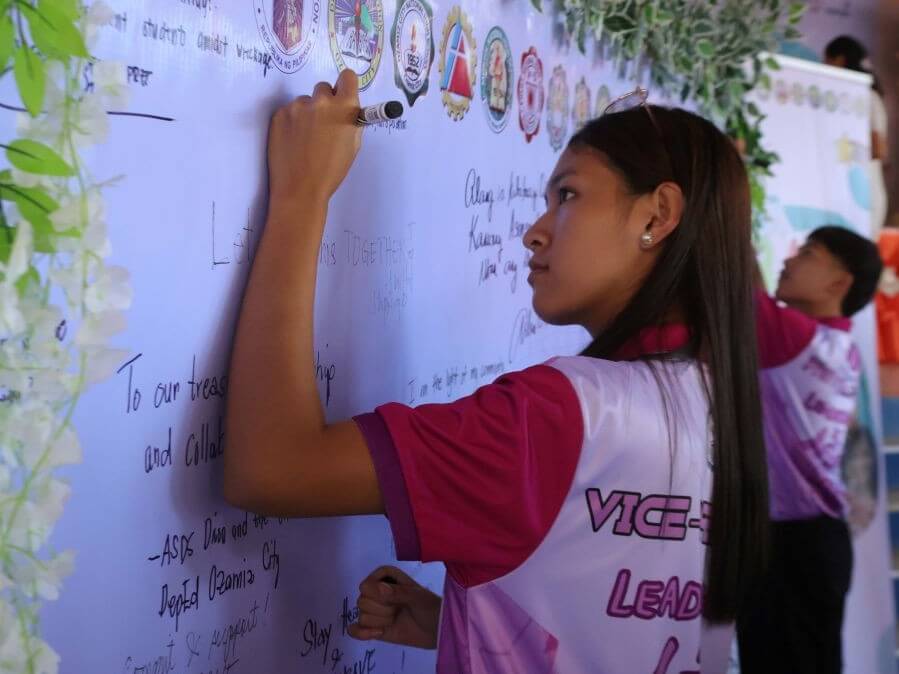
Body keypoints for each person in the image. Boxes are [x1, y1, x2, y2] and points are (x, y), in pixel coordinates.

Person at [223, 70, 769, 672]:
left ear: (658, 215)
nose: (534, 233)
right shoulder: (716, 402)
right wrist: (468, 626)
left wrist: (302, 195)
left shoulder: (563, 416)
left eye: (567, 196)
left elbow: (273, 470)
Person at [738, 227, 883, 674]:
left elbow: (737, 277)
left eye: (808, 255)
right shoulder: (835, 343)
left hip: (791, 546)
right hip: (809, 541)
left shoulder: (797, 340)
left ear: (839, 284)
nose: (787, 261)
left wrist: (726, 179)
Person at [824, 36, 890, 237]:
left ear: (840, 60)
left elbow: (878, 149)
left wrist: (842, 148)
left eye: (828, 61)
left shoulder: (866, 96)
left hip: (864, 195)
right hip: (849, 193)